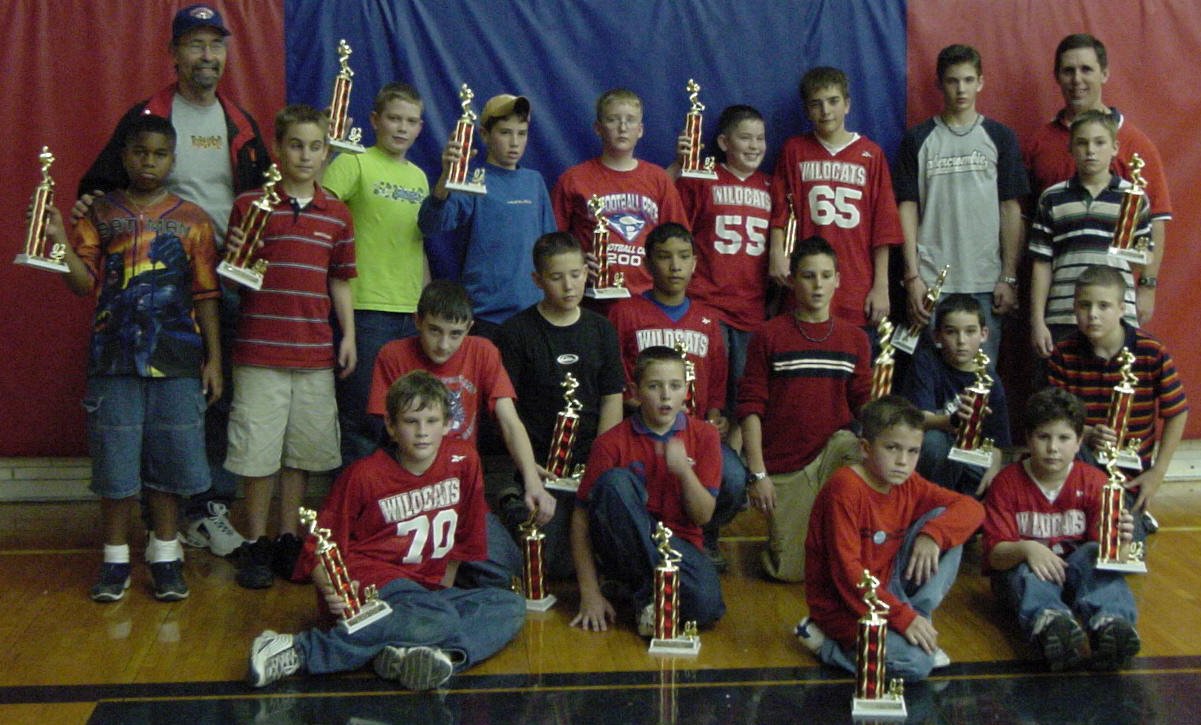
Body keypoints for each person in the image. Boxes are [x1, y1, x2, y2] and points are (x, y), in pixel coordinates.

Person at [77, 3, 272, 557]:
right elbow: (97, 189)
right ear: (174, 53)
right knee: (147, 402)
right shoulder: (146, 117)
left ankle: (205, 507)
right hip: (155, 286)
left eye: (216, 44)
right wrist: (85, 209)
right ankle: (157, 514)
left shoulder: (240, 123)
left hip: (224, 280)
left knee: (216, 393)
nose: (207, 55)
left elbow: (264, 199)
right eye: (195, 44)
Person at [247, 371, 525, 690]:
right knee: (441, 617)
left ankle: (429, 656)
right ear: (391, 427)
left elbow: (466, 533)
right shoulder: (363, 475)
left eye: (432, 421)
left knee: (509, 605)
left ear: (448, 424)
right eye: (411, 422)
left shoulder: (464, 460)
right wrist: (331, 588)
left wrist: (439, 589)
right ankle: (298, 649)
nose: (422, 432)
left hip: (422, 591)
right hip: (370, 581)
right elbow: (318, 545)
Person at [46, 115, 221, 602]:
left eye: (160, 154)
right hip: (114, 360)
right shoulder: (101, 212)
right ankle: (115, 559)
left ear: (173, 160)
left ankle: (165, 555)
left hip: (177, 360)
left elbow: (207, 293)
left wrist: (214, 359)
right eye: (140, 152)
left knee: (170, 464)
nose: (149, 162)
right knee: (116, 466)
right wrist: (59, 240)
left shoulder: (194, 220)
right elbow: (82, 283)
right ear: (124, 157)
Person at [222, 105, 357, 589]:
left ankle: (287, 537)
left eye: (315, 147)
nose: (305, 155)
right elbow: (232, 279)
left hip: (314, 353)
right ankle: (255, 541)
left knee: (301, 454)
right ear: (279, 149)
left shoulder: (337, 214)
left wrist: (349, 336)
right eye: (296, 145)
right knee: (257, 454)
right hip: (260, 352)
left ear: (326, 153)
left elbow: (340, 279)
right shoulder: (250, 206)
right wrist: (237, 257)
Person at [367, 280, 556, 585]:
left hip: (462, 488)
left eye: (455, 334)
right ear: (417, 321)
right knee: (399, 570)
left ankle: (453, 563)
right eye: (434, 330)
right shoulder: (393, 355)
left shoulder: (483, 351)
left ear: (469, 327)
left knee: (508, 574)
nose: (444, 344)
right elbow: (388, 434)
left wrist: (532, 480)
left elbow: (509, 421)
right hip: (410, 488)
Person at [797, 396, 984, 681]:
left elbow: (973, 509)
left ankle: (918, 621)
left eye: (913, 451)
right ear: (865, 448)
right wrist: (901, 618)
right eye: (892, 448)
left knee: (947, 525)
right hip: (844, 605)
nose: (903, 461)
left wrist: (933, 536)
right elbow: (847, 572)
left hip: (887, 588)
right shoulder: (844, 489)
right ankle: (827, 644)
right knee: (916, 664)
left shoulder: (908, 482)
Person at [607, 222, 745, 569]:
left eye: (684, 257)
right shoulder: (625, 312)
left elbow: (717, 379)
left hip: (696, 436)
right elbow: (616, 376)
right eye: (665, 257)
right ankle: (636, 550)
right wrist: (639, 403)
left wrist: (715, 415)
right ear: (647, 263)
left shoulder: (708, 320)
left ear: (695, 263)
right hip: (642, 429)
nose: (675, 266)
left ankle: (705, 538)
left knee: (733, 476)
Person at [737, 236, 871, 582]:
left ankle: (853, 544)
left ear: (838, 280)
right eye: (809, 276)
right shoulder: (768, 336)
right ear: (792, 280)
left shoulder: (855, 339)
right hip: (786, 466)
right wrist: (758, 474)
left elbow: (866, 406)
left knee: (857, 447)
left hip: (833, 455)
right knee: (789, 572)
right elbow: (751, 408)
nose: (818, 285)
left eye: (826, 276)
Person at [495, 233, 626, 579]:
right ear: (537, 280)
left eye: (576, 274)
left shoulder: (602, 329)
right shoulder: (515, 332)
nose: (569, 286)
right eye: (556, 277)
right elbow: (506, 411)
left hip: (590, 462)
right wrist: (527, 467)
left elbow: (612, 398)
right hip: (541, 467)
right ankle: (514, 500)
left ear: (587, 272)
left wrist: (601, 460)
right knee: (548, 564)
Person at [983, 387, 1140, 672]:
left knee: (1092, 555)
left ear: (1079, 442)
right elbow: (995, 556)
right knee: (1023, 572)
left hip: (1076, 574)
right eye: (1043, 437)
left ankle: (1111, 625)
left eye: (1064, 438)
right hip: (1028, 576)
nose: (1053, 447)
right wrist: (1028, 548)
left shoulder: (1096, 482)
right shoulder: (1006, 483)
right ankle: (1052, 625)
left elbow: (1109, 559)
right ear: (1028, 438)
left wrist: (1122, 543)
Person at [570, 346, 725, 634]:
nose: (666, 396)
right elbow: (581, 520)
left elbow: (703, 517)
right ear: (635, 392)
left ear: (686, 390)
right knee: (616, 482)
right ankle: (647, 596)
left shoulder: (705, 436)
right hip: (623, 551)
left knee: (706, 607)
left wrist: (684, 472)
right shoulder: (610, 443)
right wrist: (589, 593)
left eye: (675, 386)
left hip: (679, 546)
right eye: (654, 386)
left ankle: (640, 593)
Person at [1022, 33, 1171, 327]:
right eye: (1068, 71)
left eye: (1086, 69)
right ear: (1057, 77)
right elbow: (1026, 222)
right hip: (1061, 302)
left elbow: (1155, 220)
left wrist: (1147, 284)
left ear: (1104, 73)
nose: (1077, 79)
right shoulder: (1038, 143)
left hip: (1111, 306)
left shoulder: (1136, 144)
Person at [894, 44, 1027, 363]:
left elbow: (1011, 210)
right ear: (939, 84)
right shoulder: (918, 139)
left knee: (979, 380)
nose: (961, 89)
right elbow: (907, 209)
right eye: (953, 81)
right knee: (929, 379)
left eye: (968, 80)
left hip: (985, 282)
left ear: (981, 82)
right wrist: (912, 277)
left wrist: (1008, 276)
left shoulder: (1000, 137)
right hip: (930, 283)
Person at [323, 82, 429, 464]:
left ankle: (393, 496)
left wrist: (425, 304)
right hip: (365, 309)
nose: (402, 128)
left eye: (411, 121)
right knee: (363, 418)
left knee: (404, 417)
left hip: (411, 313)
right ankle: (355, 497)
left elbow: (418, 245)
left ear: (420, 127)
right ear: (375, 120)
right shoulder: (353, 162)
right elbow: (319, 217)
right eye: (394, 118)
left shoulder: (420, 177)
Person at [1046, 265, 1188, 540]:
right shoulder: (1063, 353)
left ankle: (1132, 513)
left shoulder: (1151, 352)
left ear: (1122, 309)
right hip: (1079, 465)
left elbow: (1177, 412)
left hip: (1128, 474)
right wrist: (1087, 433)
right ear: (1074, 308)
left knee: (1123, 543)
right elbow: (1053, 418)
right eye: (1084, 305)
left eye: (1104, 306)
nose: (1093, 314)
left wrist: (1157, 473)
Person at [768, 67, 903, 332]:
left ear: (847, 104)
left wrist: (881, 286)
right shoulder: (794, 150)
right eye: (816, 104)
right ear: (807, 110)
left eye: (833, 101)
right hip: (805, 282)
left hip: (856, 283)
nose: (826, 111)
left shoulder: (871, 155)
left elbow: (884, 226)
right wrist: (776, 253)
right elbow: (780, 209)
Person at [419, 94, 557, 339]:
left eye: (522, 133)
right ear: (484, 135)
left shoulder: (534, 182)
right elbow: (430, 225)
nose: (514, 142)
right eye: (505, 133)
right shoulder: (471, 181)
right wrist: (445, 179)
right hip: (484, 315)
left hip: (533, 315)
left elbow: (551, 248)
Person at [672, 105, 772, 413]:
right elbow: (676, 231)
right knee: (703, 394)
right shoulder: (702, 178)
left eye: (760, 138)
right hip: (707, 303)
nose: (754, 146)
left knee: (745, 396)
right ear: (724, 142)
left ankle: (739, 444)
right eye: (745, 138)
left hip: (751, 308)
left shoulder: (773, 186)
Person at [1029, 110, 1151, 355]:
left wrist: (1126, 249)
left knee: (1115, 378)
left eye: (1099, 142)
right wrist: (1038, 321)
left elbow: (1139, 261)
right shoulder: (1052, 198)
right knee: (1061, 381)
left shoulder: (1133, 198)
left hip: (1115, 318)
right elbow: (1042, 264)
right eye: (1082, 143)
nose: (1090, 151)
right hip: (1063, 315)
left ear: (1115, 148)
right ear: (1070, 148)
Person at [551, 88, 689, 301]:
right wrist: (576, 262)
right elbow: (553, 243)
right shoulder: (573, 179)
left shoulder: (658, 179)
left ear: (640, 130)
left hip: (648, 299)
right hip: (592, 301)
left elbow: (679, 240)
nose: (622, 128)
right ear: (598, 128)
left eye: (630, 120)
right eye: (613, 120)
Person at [899, 294, 1010, 497]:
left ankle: (963, 509)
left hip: (969, 455)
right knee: (934, 442)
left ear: (984, 334)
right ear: (937, 336)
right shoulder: (927, 362)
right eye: (951, 332)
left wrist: (994, 472)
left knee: (987, 472)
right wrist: (953, 421)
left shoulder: (989, 379)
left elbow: (996, 442)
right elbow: (917, 419)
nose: (961, 341)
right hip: (931, 452)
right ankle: (932, 504)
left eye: (970, 331)